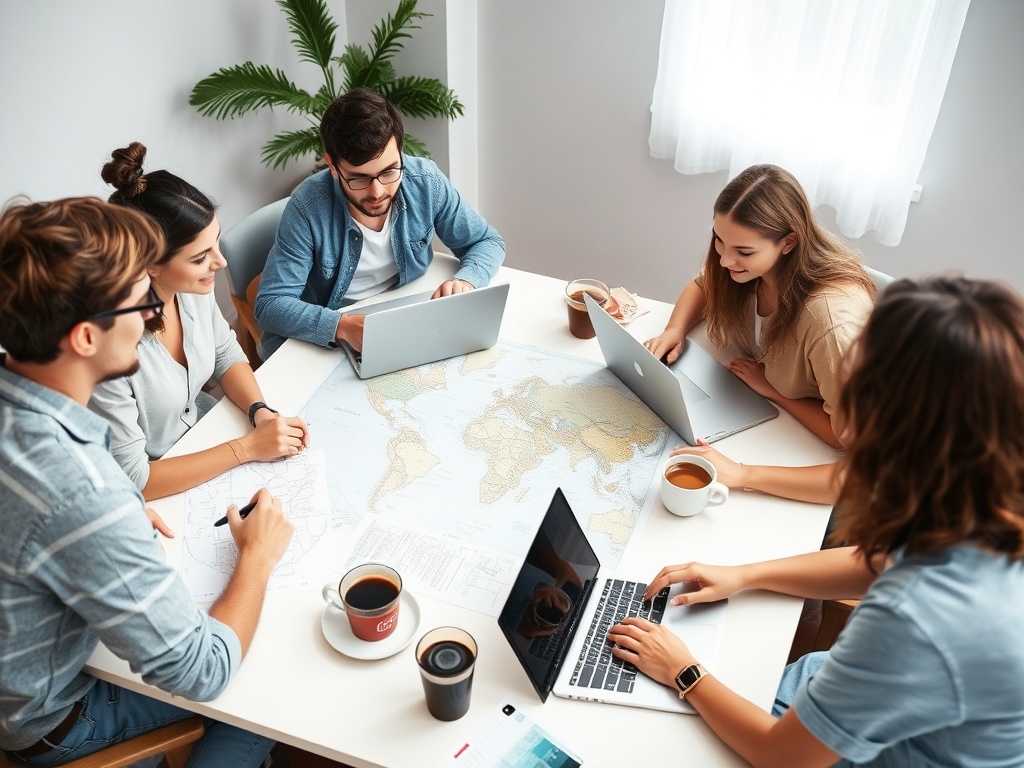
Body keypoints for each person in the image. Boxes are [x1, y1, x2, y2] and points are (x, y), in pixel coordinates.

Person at [609, 276, 1024, 766]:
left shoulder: (914, 619)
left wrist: (684, 672)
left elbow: (784, 757)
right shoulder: (984, 492)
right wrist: (745, 575)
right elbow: (881, 562)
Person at [0, 197, 294, 766]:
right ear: (86, 337)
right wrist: (256, 556)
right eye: (141, 299)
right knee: (269, 679)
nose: (155, 312)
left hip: (23, 670)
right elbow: (202, 670)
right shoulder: (84, 491)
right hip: (60, 716)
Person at [89, 143, 309, 504]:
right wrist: (245, 449)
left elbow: (225, 354)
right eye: (199, 257)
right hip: (164, 490)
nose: (220, 263)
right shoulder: (108, 346)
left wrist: (261, 412)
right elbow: (134, 479)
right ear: (149, 265)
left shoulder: (190, 289)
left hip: (212, 441)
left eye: (216, 244)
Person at [255, 88, 506, 359]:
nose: (377, 192)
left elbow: (486, 241)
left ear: (400, 150)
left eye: (389, 171)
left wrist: (466, 281)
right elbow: (271, 305)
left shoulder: (425, 181)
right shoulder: (306, 208)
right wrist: (341, 326)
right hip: (329, 332)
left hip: (402, 308)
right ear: (332, 164)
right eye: (359, 178)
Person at [646, 165, 875, 454]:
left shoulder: (830, 321)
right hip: (754, 408)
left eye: (744, 252)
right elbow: (704, 285)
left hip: (808, 444)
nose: (726, 260)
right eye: (719, 239)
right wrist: (675, 329)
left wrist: (774, 392)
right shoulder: (747, 268)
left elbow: (847, 435)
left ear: (788, 242)